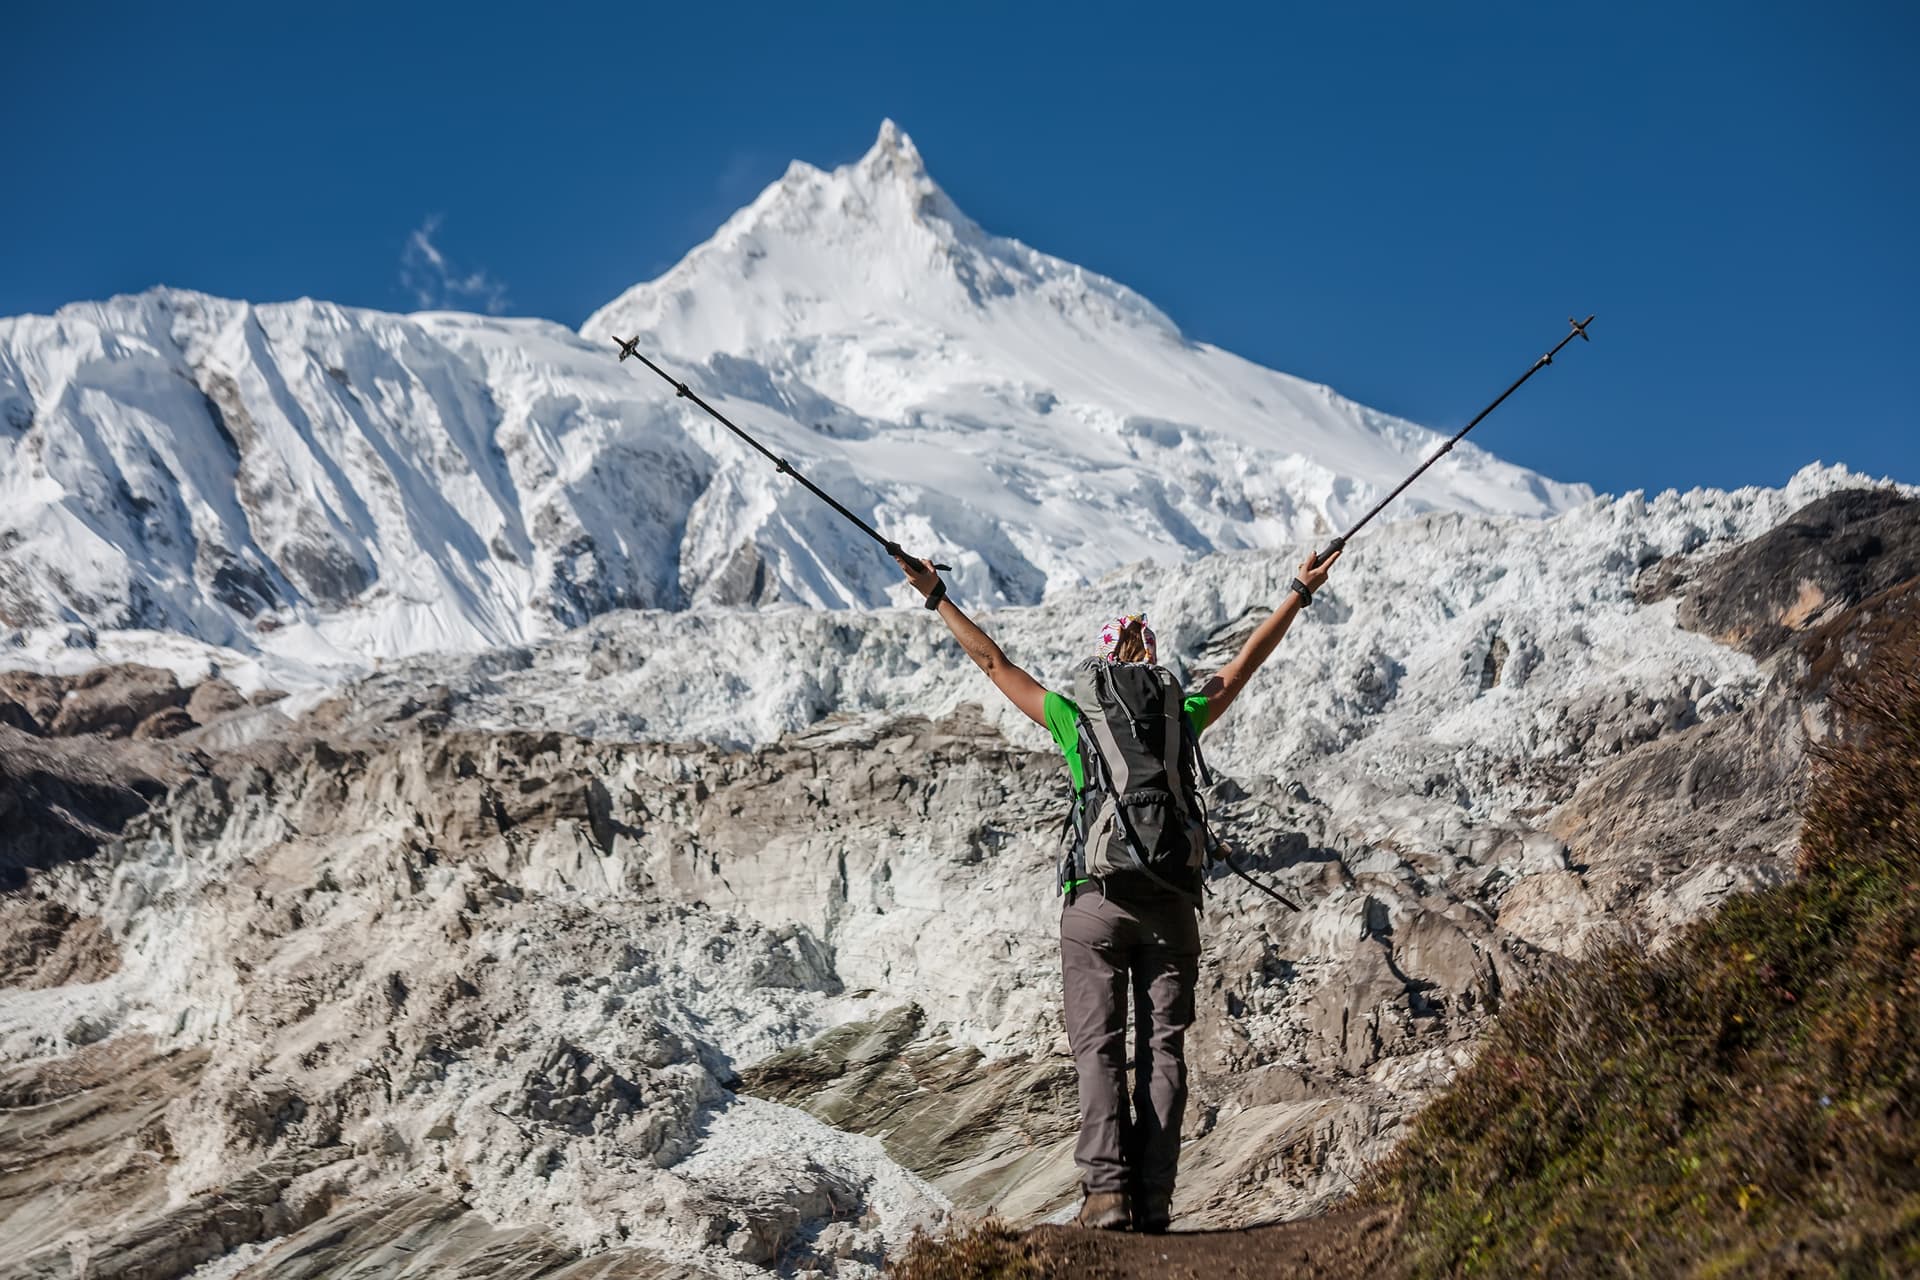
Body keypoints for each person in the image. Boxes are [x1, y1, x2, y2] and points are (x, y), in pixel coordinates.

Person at [892, 547, 1341, 1233]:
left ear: (1103, 663)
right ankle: (1155, 1201)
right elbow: (1243, 667)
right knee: (1163, 1050)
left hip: (1095, 903)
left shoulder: (1077, 717)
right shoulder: (1179, 712)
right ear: (1151, 659)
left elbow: (994, 663)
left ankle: (1106, 1196)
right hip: (1171, 906)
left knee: (1096, 1047)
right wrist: (1297, 593)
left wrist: (936, 596)